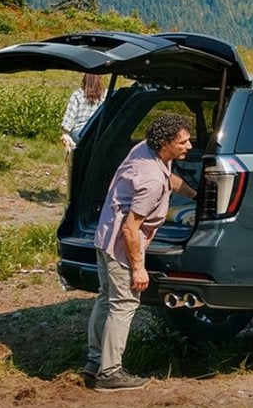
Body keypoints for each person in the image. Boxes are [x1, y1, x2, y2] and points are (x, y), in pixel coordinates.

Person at [84, 114, 196, 392]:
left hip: (103, 237)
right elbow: (130, 229)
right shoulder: (151, 181)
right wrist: (138, 268)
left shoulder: (146, 150)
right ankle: (110, 374)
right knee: (124, 304)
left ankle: (94, 362)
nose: (190, 146)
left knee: (106, 299)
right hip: (122, 244)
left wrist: (198, 195)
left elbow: (170, 178)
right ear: (166, 143)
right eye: (183, 142)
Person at [60, 73, 106, 151]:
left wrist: (65, 134)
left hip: (79, 133)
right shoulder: (105, 95)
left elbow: (69, 119)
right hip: (97, 133)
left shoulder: (77, 94)